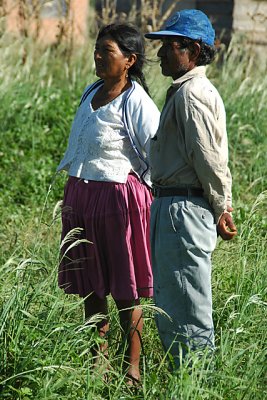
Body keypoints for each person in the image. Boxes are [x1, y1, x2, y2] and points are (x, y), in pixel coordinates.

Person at [57, 23, 160, 383]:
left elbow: (157, 154)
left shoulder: (137, 102)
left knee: (125, 289)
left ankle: (132, 370)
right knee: (91, 285)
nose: (98, 55)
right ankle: (97, 366)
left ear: (130, 60)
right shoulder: (91, 91)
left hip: (119, 200)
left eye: (107, 51)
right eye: (97, 49)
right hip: (82, 196)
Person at [145, 9, 237, 368]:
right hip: (172, 207)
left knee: (188, 306)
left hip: (183, 209)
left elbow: (208, 159)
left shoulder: (191, 94)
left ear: (194, 51)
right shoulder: (185, 90)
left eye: (171, 46)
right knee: (173, 302)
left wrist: (222, 207)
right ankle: (183, 380)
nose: (161, 54)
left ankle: (197, 383)